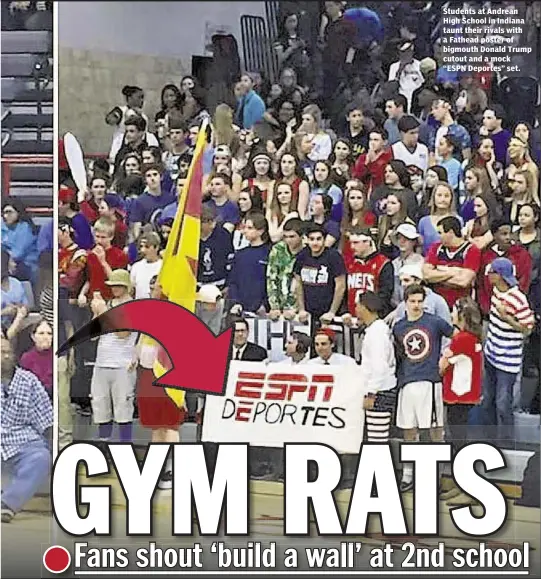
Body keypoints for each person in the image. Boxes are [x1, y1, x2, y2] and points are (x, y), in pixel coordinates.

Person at [393, 284, 454, 492]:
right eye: (412, 301)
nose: (417, 305)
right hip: (407, 382)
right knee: (409, 430)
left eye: (420, 301)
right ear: (405, 302)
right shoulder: (398, 327)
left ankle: (435, 477)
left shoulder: (435, 322)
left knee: (436, 430)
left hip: (431, 381)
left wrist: (446, 359)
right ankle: (408, 475)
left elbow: (458, 338)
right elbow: (399, 356)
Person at [481, 258, 535, 440]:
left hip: (508, 360)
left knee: (503, 404)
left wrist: (508, 319)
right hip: (491, 353)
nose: (488, 275)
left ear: (500, 276)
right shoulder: (496, 291)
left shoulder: (518, 299)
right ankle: (489, 440)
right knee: (487, 401)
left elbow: (528, 328)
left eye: (492, 273)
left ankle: (506, 444)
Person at [1, 335, 52, 523]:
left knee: (41, 457)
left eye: (7, 353)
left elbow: (46, 420)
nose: (5, 357)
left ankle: (7, 505)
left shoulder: (29, 381)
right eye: (0, 352)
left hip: (23, 440)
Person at [439, 297, 483, 506]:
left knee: (460, 443)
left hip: (458, 396)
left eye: (454, 310)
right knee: (459, 442)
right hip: (466, 395)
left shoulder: (461, 339)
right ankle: (460, 485)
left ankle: (470, 489)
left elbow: (442, 366)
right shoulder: (472, 338)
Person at [89, 270, 138, 445]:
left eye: (118, 285)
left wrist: (104, 311)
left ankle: (125, 446)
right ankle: (104, 445)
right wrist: (97, 313)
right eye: (113, 285)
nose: (115, 288)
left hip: (122, 364)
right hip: (102, 362)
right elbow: (93, 336)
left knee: (123, 408)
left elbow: (124, 333)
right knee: (101, 406)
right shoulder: (107, 304)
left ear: (126, 286)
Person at [356, 292, 397, 442]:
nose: (356, 309)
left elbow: (379, 366)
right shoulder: (376, 330)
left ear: (364, 307)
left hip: (381, 390)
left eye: (357, 305)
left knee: (377, 438)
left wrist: (371, 393)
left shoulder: (377, 333)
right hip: (381, 389)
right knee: (375, 437)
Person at [423, 216, 481, 309]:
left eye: (440, 233)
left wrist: (438, 274)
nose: (438, 236)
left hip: (460, 305)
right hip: (437, 303)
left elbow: (463, 281)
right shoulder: (436, 247)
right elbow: (426, 275)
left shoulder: (472, 250)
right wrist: (453, 272)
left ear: (450, 232)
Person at [293, 223, 346, 325]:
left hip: (329, 314)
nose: (315, 243)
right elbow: (298, 284)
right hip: (308, 314)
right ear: (307, 240)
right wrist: (301, 309)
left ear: (324, 239)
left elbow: (341, 286)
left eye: (318, 239)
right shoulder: (302, 256)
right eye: (312, 239)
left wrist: (332, 312)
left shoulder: (334, 257)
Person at [343, 227, 394, 321]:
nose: (352, 247)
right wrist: (344, 312)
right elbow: (344, 291)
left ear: (367, 242)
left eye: (356, 243)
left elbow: (385, 295)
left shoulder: (383, 264)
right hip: (351, 319)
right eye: (351, 243)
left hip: (374, 319)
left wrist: (370, 316)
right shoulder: (348, 264)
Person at [266, 218, 304, 321]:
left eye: (292, 236)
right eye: (285, 237)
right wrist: (274, 306)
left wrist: (297, 309)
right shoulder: (278, 249)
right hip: (279, 306)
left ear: (302, 236)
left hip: (302, 309)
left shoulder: (307, 251)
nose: (288, 240)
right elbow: (271, 278)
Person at [19, 319, 53, 398]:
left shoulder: (56, 356)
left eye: (49, 333)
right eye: (41, 333)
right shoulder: (26, 358)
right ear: (33, 337)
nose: (45, 337)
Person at [130, 232, 163, 299]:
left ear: (156, 247)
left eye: (147, 247)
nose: (143, 250)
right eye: (141, 247)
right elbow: (131, 291)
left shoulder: (163, 266)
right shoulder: (136, 267)